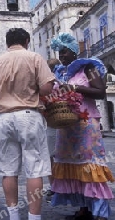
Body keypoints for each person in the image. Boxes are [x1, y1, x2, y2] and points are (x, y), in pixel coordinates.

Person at [0, 28, 55, 220]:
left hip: (4, 118)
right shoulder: (34, 57)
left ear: (7, 43)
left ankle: (13, 215)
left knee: (8, 170)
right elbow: (48, 88)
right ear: (26, 41)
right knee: (35, 169)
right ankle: (34, 217)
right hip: (29, 115)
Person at [50, 33, 114, 220]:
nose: (62, 56)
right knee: (74, 166)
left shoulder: (89, 68)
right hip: (68, 126)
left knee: (91, 164)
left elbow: (100, 92)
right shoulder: (63, 72)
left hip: (87, 125)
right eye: (59, 53)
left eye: (65, 52)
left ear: (74, 51)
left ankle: (100, 212)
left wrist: (75, 89)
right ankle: (84, 208)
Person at [45, 58, 62, 203]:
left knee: (50, 157)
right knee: (62, 156)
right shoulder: (63, 80)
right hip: (65, 122)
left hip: (51, 123)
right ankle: (63, 186)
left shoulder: (49, 83)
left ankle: (55, 187)